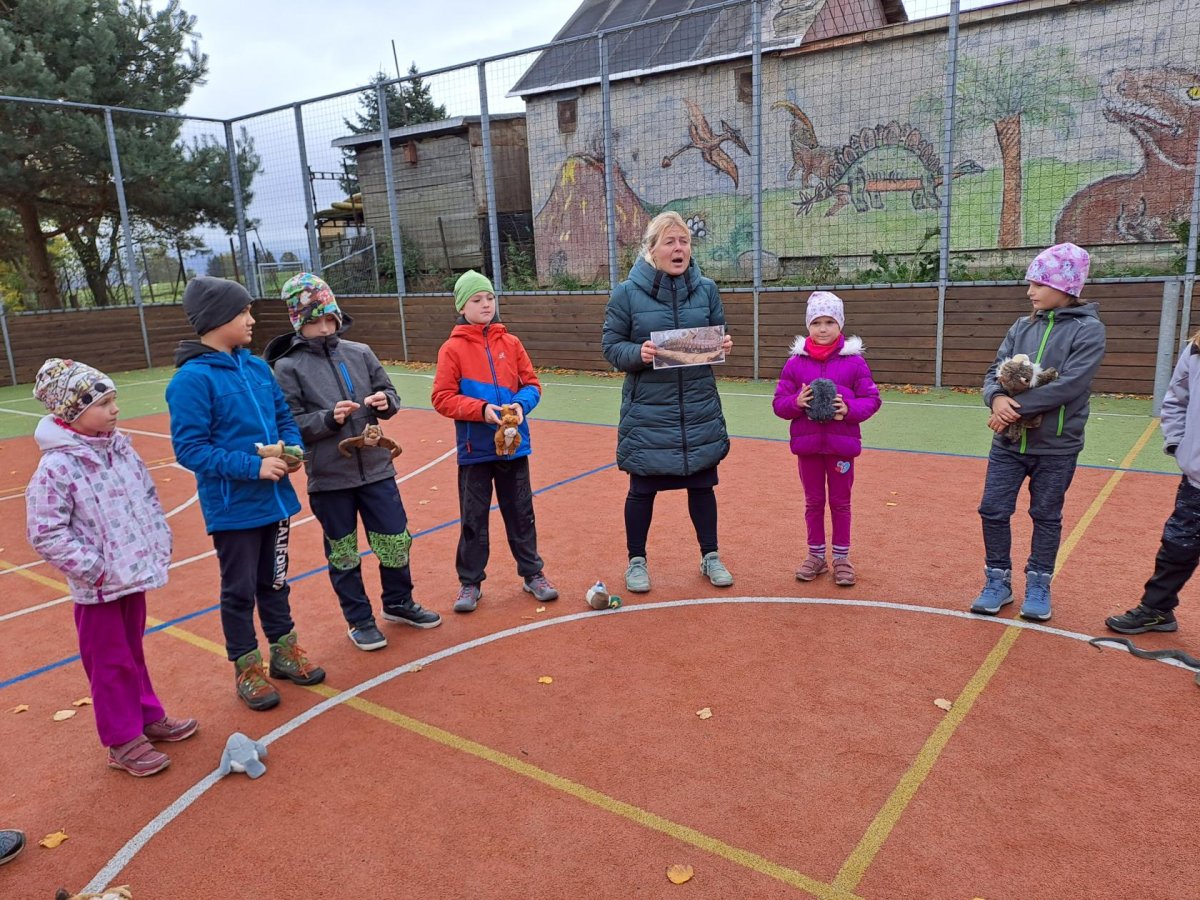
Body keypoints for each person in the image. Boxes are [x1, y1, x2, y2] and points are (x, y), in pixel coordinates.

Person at [26, 359, 195, 777]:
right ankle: (121, 739)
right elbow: (45, 531)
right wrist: (95, 570)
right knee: (109, 663)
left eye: (113, 400)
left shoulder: (119, 449)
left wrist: (157, 540)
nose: (115, 409)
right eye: (103, 404)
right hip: (99, 587)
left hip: (130, 575)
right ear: (72, 412)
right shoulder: (57, 467)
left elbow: (147, 498)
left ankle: (146, 716)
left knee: (132, 651)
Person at [166, 276, 324, 711]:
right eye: (243, 313)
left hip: (275, 502)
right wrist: (252, 467)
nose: (252, 320)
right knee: (238, 590)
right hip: (233, 509)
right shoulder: (191, 381)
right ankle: (247, 668)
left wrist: (293, 450)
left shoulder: (257, 368)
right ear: (217, 319)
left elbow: (283, 417)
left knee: (275, 581)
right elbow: (191, 449)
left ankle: (284, 651)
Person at [265, 273, 441, 651]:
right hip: (330, 477)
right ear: (298, 322)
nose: (325, 328)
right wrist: (328, 419)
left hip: (377, 468)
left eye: (330, 319)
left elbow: (389, 393)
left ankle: (398, 602)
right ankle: (359, 619)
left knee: (395, 539)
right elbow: (290, 423)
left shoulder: (359, 352)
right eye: (315, 321)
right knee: (343, 552)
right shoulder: (288, 367)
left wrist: (385, 402)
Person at [601, 210, 735, 593]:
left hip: (697, 409)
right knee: (642, 489)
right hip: (649, 413)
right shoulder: (626, 293)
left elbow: (717, 335)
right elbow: (611, 346)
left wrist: (722, 344)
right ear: (652, 248)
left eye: (684, 242)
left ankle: (710, 556)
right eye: (670, 242)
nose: (679, 249)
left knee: (702, 486)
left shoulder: (706, 289)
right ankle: (636, 562)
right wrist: (637, 353)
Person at [971, 243, 1106, 621]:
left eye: (1038, 284)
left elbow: (1071, 385)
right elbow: (994, 371)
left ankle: (1038, 583)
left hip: (1057, 447)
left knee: (1046, 515)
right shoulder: (1022, 326)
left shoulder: (1089, 330)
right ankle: (997, 580)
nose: (1030, 291)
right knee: (993, 509)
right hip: (1008, 443)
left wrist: (1012, 410)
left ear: (1066, 287)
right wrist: (996, 398)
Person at [431, 270, 559, 612]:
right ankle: (470, 582)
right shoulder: (452, 349)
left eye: (489, 297)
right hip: (474, 450)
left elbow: (532, 385)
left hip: (513, 447)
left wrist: (520, 405)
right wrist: (482, 410)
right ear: (462, 306)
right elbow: (442, 397)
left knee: (521, 513)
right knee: (473, 518)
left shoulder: (511, 343)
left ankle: (532, 573)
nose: (486, 304)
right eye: (477, 299)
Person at [772, 292, 881, 586]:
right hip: (808, 448)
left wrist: (848, 409)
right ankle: (816, 555)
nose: (823, 329)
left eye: (830, 322)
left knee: (841, 502)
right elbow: (779, 404)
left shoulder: (855, 363)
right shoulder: (795, 363)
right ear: (808, 325)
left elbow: (872, 399)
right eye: (816, 322)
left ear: (840, 324)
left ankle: (842, 558)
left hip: (841, 447)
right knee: (814, 501)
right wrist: (796, 402)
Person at [1106, 331, 1200, 634]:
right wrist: (1178, 443)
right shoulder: (1196, 349)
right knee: (1177, 546)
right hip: (1196, 480)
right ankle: (1157, 610)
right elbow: (1176, 398)